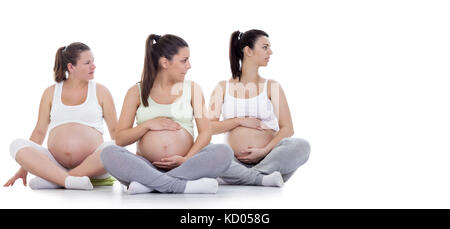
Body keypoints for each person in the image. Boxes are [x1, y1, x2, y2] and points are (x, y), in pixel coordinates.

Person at [100, 34, 233, 194]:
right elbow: (120, 139)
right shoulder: (136, 92)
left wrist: (187, 158)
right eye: (184, 60)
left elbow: (206, 133)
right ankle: (180, 185)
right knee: (108, 152)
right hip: (146, 164)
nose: (189, 65)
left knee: (224, 152)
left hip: (186, 164)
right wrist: (148, 124)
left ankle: (149, 184)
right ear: (164, 62)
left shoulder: (192, 89)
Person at [4, 42, 118, 190]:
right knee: (16, 145)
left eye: (93, 61)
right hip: (56, 164)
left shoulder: (101, 91)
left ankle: (58, 180)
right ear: (71, 67)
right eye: (87, 63)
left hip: (94, 167)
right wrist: (23, 168)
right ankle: (69, 180)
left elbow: (116, 131)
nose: (93, 66)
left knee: (113, 147)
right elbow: (39, 132)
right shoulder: (51, 92)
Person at [208, 29, 311, 186]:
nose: (270, 52)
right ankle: (260, 179)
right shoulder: (222, 87)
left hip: (269, 159)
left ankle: (244, 177)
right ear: (248, 50)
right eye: (265, 47)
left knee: (302, 145)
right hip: (235, 160)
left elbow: (288, 129)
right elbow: (209, 128)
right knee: (208, 151)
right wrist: (239, 121)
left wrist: (264, 151)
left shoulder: (272, 86)